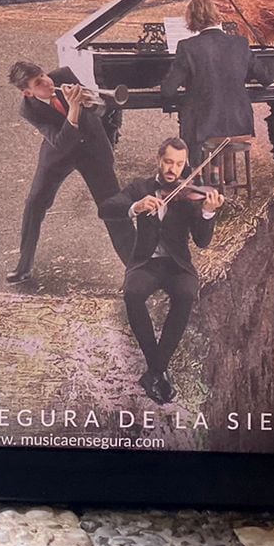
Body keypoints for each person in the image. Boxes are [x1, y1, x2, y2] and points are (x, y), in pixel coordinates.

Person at [100, 137, 221, 406]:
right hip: (146, 262)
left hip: (177, 264)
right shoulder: (140, 187)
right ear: (158, 159)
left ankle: (155, 370)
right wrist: (135, 207)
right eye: (168, 162)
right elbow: (105, 208)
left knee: (187, 293)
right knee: (132, 294)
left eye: (179, 164)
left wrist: (208, 213)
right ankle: (159, 369)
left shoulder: (190, 195)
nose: (172, 169)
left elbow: (202, 241)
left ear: (184, 166)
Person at [4, 60, 133, 285]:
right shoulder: (28, 109)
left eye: (43, 75)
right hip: (58, 155)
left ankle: (137, 268)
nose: (46, 81)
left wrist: (90, 104)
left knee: (113, 208)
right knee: (34, 204)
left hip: (92, 151)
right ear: (28, 92)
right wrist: (74, 110)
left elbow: (101, 110)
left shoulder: (64, 75)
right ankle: (23, 267)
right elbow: (61, 143)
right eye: (38, 82)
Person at [167, 0, 256, 153]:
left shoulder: (187, 47)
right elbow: (266, 78)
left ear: (192, 19)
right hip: (239, 122)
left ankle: (197, 172)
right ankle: (217, 173)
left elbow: (168, 90)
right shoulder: (241, 44)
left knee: (191, 114)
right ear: (216, 16)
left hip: (203, 126)